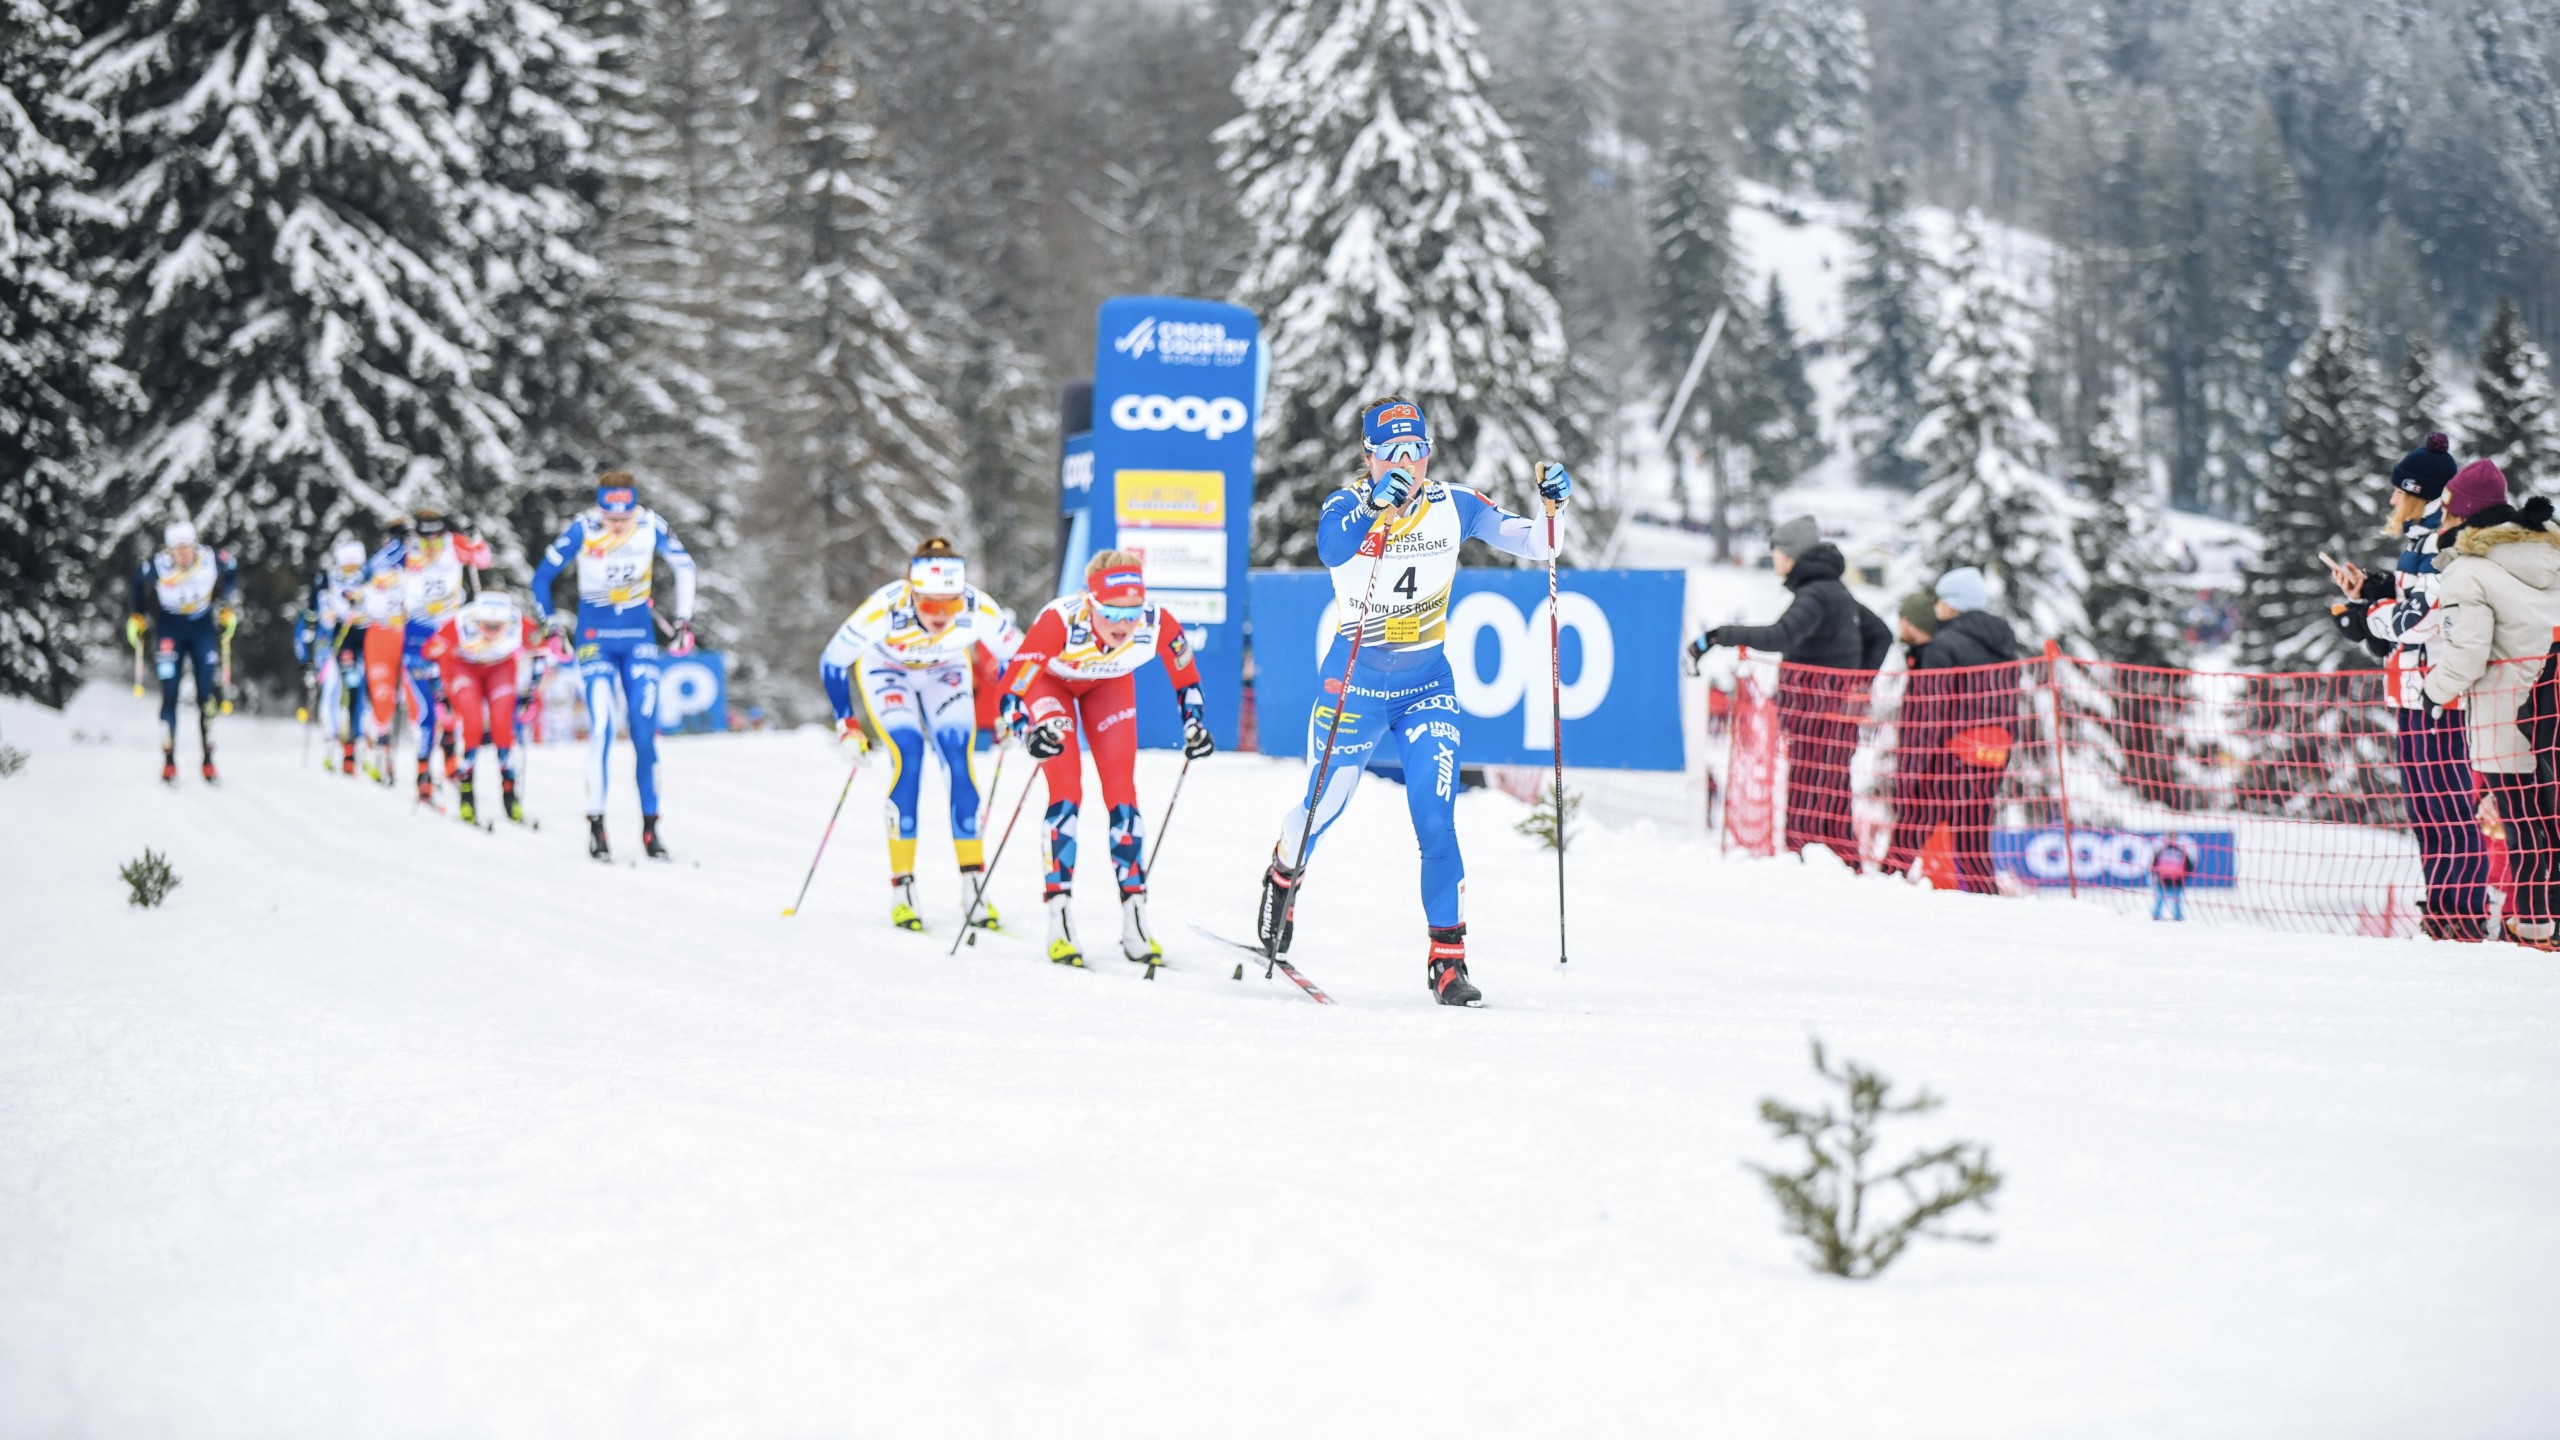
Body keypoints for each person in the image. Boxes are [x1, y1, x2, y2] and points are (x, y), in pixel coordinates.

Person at [1251, 396, 1574, 1008]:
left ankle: (1447, 961)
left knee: (1436, 816)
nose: (1408, 463)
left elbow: (1539, 545)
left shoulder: (1454, 504)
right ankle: (1283, 875)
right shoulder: (1347, 504)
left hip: (1427, 686)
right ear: (1368, 457)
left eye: (1417, 451)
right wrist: (1376, 508)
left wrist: (1555, 507)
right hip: (1354, 688)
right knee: (1322, 810)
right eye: (1392, 453)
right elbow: (1329, 548)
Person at [996, 550, 1213, 967]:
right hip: (1053, 687)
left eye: (1133, 612)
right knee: (1067, 792)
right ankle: (1058, 913)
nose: (1124, 624)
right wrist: (1029, 733)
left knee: (1122, 795)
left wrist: (1194, 726)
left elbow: (1187, 681)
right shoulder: (1059, 621)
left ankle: (1134, 915)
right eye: (1111, 611)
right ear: (1089, 602)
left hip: (1109, 686)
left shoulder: (1157, 623)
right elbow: (1011, 693)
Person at [2329, 433, 2489, 940]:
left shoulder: (2438, 541)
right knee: (2426, 808)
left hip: (2437, 693)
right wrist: (2374, 588)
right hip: (2411, 690)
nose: (2391, 499)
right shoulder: (2416, 540)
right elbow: (2408, 603)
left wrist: (2367, 616)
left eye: (2399, 490)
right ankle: (2442, 908)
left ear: (2419, 492)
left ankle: (2459, 912)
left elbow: (2420, 620)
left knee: (2448, 807)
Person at [820, 537, 1024, 931]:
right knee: (909, 756)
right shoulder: (884, 608)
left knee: (958, 761)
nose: (941, 616)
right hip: (887, 671)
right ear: (912, 593)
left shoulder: (978, 608)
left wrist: (1009, 706)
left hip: (945, 672)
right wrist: (846, 724)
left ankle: (973, 885)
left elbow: (1015, 656)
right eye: (930, 605)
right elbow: (833, 661)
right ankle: (903, 888)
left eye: (950, 605)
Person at [1686, 516, 1891, 867]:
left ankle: (1803, 864)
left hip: (1817, 712)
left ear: (1794, 554)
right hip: (1834, 712)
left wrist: (1720, 635)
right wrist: (1857, 683)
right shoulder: (1836, 592)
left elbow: (1782, 635)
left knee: (1808, 791)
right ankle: (1844, 865)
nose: (1775, 558)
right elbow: (1881, 634)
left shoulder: (1816, 595)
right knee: (1834, 791)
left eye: (1777, 550)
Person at [2419, 461, 2560, 948]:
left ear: (2463, 517)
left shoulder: (2468, 572)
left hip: (2507, 714)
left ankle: (2536, 929)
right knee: (2549, 821)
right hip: (2553, 706)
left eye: (2445, 513)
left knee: (2524, 828)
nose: (2440, 523)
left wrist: (2431, 692)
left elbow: (2467, 655)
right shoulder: (2550, 555)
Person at [530, 473, 700, 862]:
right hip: (595, 640)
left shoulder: (651, 524)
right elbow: (541, 578)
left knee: (644, 733)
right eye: (611, 517)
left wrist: (684, 620)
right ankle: (597, 827)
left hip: (639, 639)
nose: (618, 525)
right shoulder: (583, 527)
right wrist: (552, 625)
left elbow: (685, 567)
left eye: (625, 517)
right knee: (603, 727)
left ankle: (651, 830)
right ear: (601, 509)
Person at [1913, 566, 2021, 893]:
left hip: (1954, 750)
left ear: (1953, 603)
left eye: (1941, 599)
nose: (1936, 606)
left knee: (1915, 821)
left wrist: (1918, 758)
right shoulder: (2003, 643)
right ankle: (1984, 894)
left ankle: (1889, 878)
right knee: (1973, 832)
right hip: (1995, 749)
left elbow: (1931, 708)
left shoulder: (1943, 644)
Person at [127, 520, 240, 784]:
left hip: (202, 628)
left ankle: (208, 759)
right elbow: (137, 581)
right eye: (177, 551)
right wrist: (137, 616)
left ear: (195, 546)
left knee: (206, 694)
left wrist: (226, 606)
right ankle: (168, 760)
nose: (184, 556)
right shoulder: (158, 566)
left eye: (187, 549)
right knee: (170, 694)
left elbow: (232, 569)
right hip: (171, 628)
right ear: (169, 551)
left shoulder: (211, 559)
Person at [431, 590, 544, 825]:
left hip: (500, 668)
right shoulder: (460, 623)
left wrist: (532, 692)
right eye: (486, 625)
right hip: (465, 668)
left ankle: (510, 795)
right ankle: (466, 796)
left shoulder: (519, 623)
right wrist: (441, 695)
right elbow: (432, 653)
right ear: (476, 619)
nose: (492, 631)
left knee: (503, 727)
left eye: (497, 626)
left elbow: (541, 652)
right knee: (472, 725)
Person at [397, 510, 474, 803]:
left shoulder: (454, 545)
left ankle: (451, 764)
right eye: (424, 536)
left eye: (436, 535)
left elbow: (482, 558)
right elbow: (376, 567)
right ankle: (423, 776)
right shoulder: (407, 551)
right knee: (427, 713)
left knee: (451, 706)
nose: (430, 542)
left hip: (450, 638)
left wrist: (470, 532)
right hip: (416, 641)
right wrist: (396, 540)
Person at [1880, 592, 1947, 881]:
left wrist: (1909, 771)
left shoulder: (1932, 657)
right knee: (1914, 822)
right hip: (1927, 757)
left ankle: (1893, 875)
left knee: (1917, 819)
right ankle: (1893, 873)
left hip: (1930, 759)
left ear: (1912, 622)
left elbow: (1926, 718)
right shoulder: (1921, 656)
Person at [294, 538, 372, 775]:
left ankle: (357, 740)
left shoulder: (370, 579)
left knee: (361, 688)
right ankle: (331, 738)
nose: (351, 570)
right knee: (334, 686)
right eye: (346, 565)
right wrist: (305, 657)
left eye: (355, 565)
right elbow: (308, 619)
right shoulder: (327, 580)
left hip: (363, 638)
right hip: (334, 640)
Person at [357, 517, 413, 784]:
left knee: (408, 697)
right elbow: (366, 574)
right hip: (379, 635)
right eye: (395, 538)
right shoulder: (380, 562)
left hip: (406, 634)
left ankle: (391, 750)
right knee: (383, 696)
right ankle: (378, 751)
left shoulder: (414, 563)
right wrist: (398, 545)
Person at [2150, 834, 2193, 921]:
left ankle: (2156, 915)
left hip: (2164, 879)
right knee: (2176, 900)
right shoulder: (2181, 851)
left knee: (2160, 899)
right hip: (2176, 880)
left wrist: (2156, 875)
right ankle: (2177, 917)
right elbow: (2189, 866)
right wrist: (2183, 877)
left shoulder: (2162, 850)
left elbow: (2154, 864)